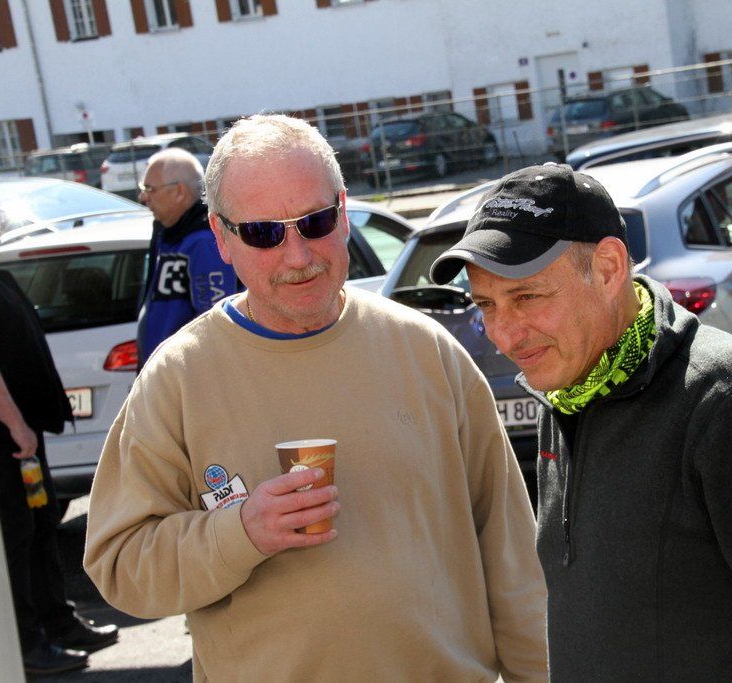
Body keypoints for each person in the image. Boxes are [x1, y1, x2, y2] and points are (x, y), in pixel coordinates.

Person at [83, 115, 547, 681]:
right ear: (222, 238)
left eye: (316, 221)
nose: (298, 255)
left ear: (344, 212)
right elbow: (120, 566)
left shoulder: (426, 351)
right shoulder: (179, 378)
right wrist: (241, 533)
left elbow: (513, 562)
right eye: (264, 233)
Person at [430, 162, 732, 681]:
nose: (504, 334)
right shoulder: (566, 393)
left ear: (608, 268)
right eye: (486, 305)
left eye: (527, 297)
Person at [0, 170, 118, 675]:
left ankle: (58, 622)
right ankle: (27, 644)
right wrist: (16, 425)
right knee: (18, 535)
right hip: (2, 438)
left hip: (22, 434)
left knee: (41, 522)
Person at [136, 147, 238, 367]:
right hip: (165, 372)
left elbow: (215, 321)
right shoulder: (169, 234)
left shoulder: (203, 241)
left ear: (179, 191)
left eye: (149, 189)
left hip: (188, 375)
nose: (143, 197)